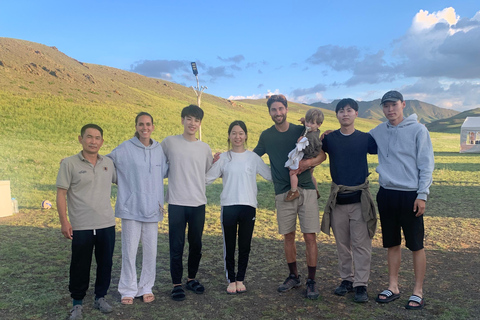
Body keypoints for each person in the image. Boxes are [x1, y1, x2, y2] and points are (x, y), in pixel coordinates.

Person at [253, 94, 326, 300]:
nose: (278, 113)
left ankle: (311, 280)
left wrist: (306, 164)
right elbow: (251, 156)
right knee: (289, 236)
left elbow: (322, 155)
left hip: (306, 190)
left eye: (280, 109)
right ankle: (293, 276)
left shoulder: (301, 130)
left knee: (310, 236)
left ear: (287, 109)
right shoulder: (266, 136)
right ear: (269, 112)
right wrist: (228, 157)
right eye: (274, 110)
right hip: (282, 192)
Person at [370, 90, 434, 310]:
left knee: (416, 244)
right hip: (386, 193)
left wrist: (422, 195)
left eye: (394, 105)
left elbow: (426, 165)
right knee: (392, 243)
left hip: (410, 195)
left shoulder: (418, 130)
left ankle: (417, 291)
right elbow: (358, 140)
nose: (390, 109)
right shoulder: (378, 131)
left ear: (403, 104)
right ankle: (393, 286)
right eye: (386, 106)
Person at [320, 98, 377, 303]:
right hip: (338, 200)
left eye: (349, 110)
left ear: (356, 114)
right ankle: (347, 279)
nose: (345, 114)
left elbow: (388, 146)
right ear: (336, 115)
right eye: (341, 111)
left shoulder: (366, 139)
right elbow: (314, 149)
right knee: (342, 244)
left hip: (360, 199)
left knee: (362, 244)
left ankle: (361, 284)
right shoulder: (330, 139)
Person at [56, 124, 116, 320]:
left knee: (105, 263)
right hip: (81, 225)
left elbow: (125, 178)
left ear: (102, 141)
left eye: (97, 137)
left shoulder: (108, 163)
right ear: (80, 139)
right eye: (89, 137)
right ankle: (77, 304)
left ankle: (100, 297)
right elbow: (61, 194)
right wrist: (64, 222)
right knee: (80, 264)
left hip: (106, 223)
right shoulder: (70, 164)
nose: (93, 141)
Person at [107, 112, 168, 305]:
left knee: (150, 251)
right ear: (136, 126)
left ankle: (146, 287)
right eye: (141, 124)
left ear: (153, 126)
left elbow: (166, 171)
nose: (145, 128)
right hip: (131, 207)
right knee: (129, 250)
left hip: (152, 208)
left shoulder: (159, 149)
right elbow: (105, 163)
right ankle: (128, 289)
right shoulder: (125, 147)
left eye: (148, 124)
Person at [206, 120, 272, 294]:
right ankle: (231, 280)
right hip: (228, 206)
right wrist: (208, 162)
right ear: (229, 135)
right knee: (229, 245)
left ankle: (240, 279)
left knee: (245, 245)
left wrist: (291, 164)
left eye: (241, 133)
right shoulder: (224, 158)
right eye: (234, 133)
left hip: (248, 206)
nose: (237, 136)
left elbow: (271, 176)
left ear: (246, 136)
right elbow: (207, 178)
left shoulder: (253, 158)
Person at [161, 104, 213, 301]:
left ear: (200, 123)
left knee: (196, 244)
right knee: (176, 244)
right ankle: (176, 284)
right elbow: (154, 160)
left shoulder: (204, 148)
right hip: (176, 202)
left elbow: (208, 170)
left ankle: (191, 278)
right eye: (189, 119)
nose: (193, 123)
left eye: (197, 120)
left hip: (198, 202)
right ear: (182, 120)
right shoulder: (169, 143)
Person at [284, 108, 324, 201]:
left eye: (312, 123)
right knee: (310, 175)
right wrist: (304, 122)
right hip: (312, 155)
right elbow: (309, 127)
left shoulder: (311, 137)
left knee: (292, 171)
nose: (308, 125)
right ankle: (316, 190)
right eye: (307, 121)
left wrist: (300, 144)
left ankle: (294, 191)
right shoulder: (314, 131)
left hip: (307, 156)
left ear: (319, 124)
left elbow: (309, 151)